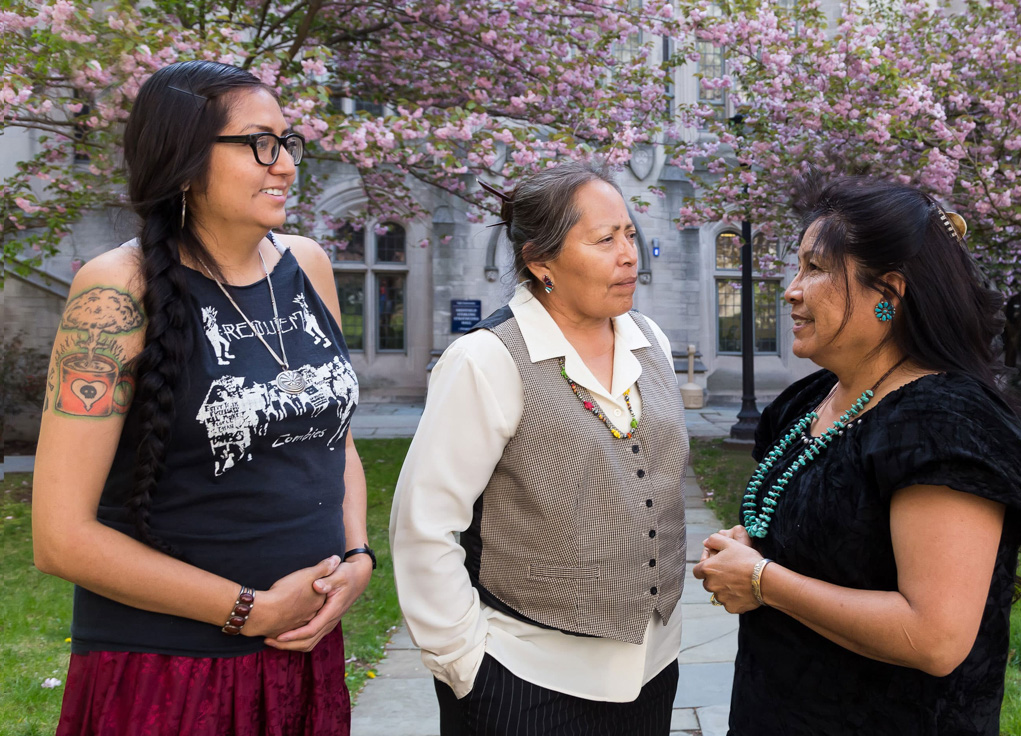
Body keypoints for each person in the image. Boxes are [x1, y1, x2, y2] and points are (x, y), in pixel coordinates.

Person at [32, 60, 374, 735]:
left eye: (286, 141)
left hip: (301, 652)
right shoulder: (116, 293)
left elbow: (335, 440)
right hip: (172, 671)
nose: (283, 165)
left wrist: (358, 558)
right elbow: (59, 539)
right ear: (184, 161)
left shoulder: (308, 264)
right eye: (257, 143)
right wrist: (248, 609)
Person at [693, 175, 1021, 735]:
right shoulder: (809, 401)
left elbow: (934, 637)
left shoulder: (943, 424)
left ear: (888, 292)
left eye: (814, 269)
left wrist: (762, 580)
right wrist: (750, 544)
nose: (791, 289)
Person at [390, 161, 688, 735]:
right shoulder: (485, 360)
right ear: (540, 261)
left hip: (654, 672)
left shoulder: (652, 343)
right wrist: (466, 666)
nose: (629, 254)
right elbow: (424, 527)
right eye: (605, 240)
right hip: (526, 683)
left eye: (629, 233)